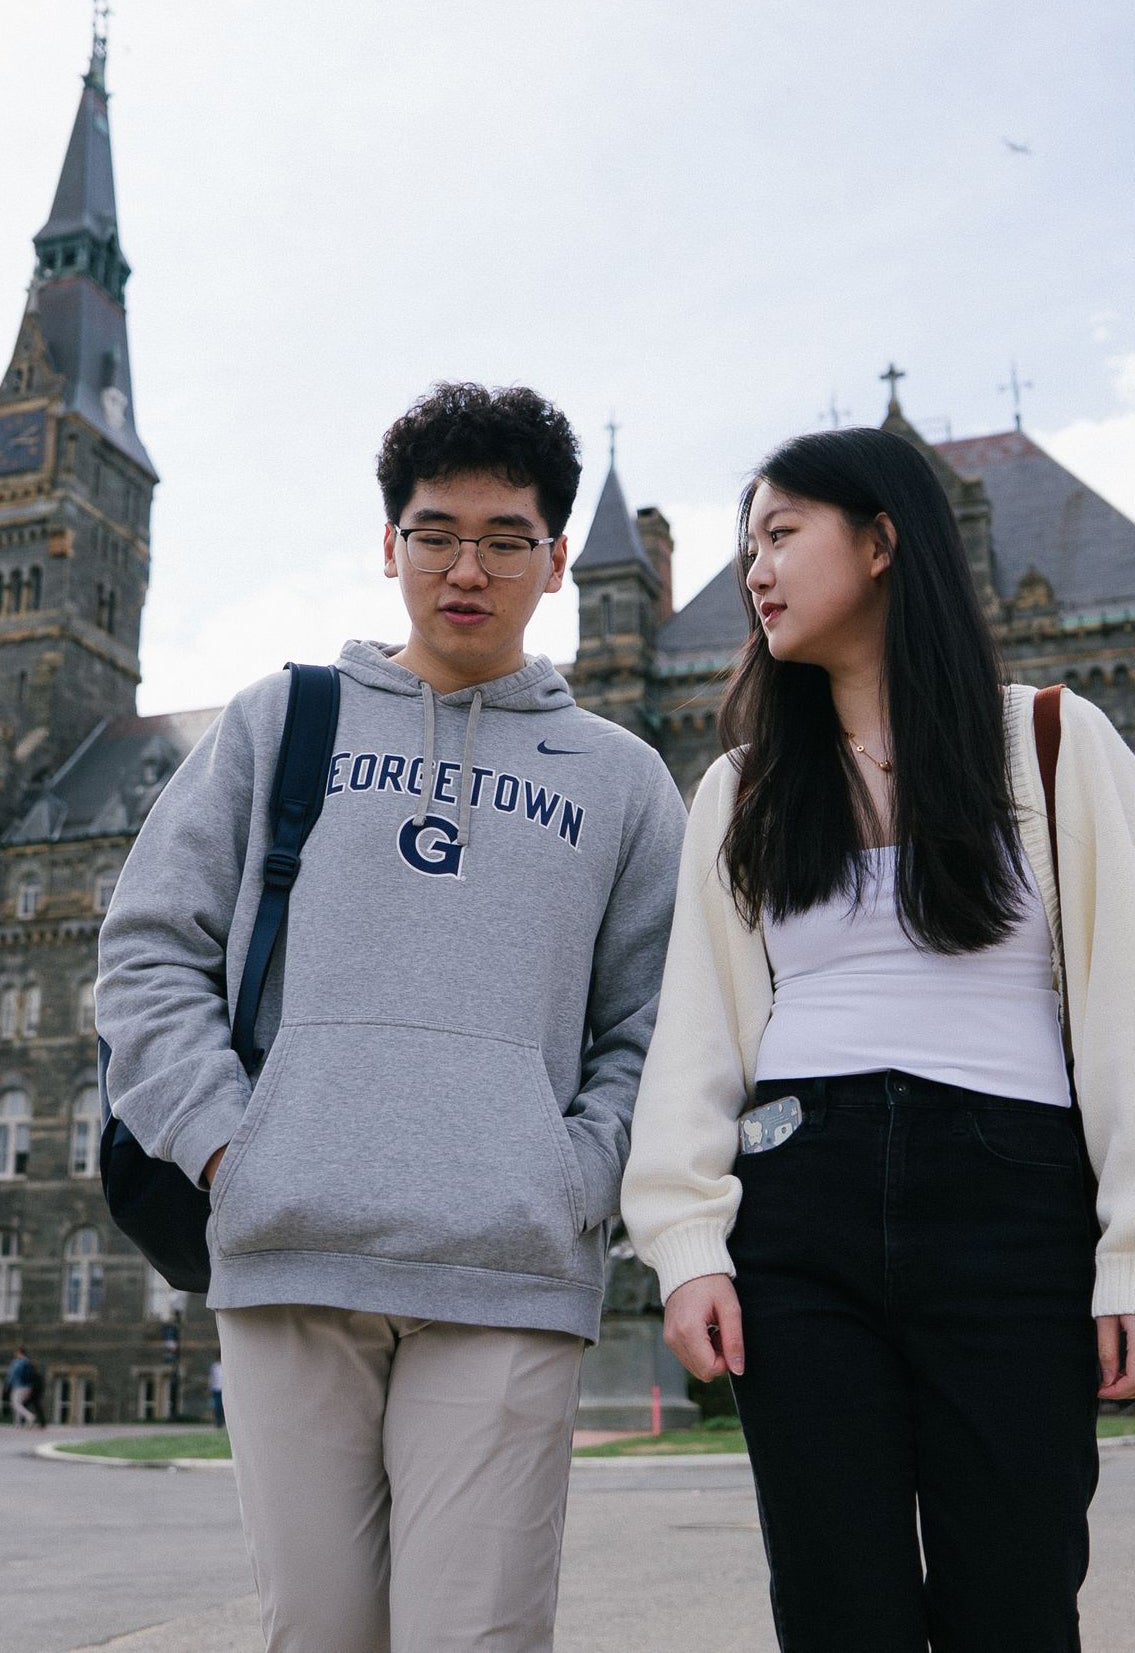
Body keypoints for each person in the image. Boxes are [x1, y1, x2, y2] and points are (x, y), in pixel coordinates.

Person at [96, 382, 685, 1653]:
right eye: (434, 533)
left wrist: (574, 1174)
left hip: (510, 1269)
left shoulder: (626, 781)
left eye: (504, 538)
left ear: (557, 559)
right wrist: (228, 1151)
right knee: (320, 1633)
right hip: (292, 1249)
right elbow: (148, 951)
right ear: (389, 546)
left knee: (472, 1637)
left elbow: (659, 1023)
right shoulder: (281, 720)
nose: (465, 569)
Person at [621, 426, 1135, 1653]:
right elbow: (698, 1035)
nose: (754, 572)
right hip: (799, 1213)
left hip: (1011, 1209)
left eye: (781, 534)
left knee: (1015, 1602)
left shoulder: (1055, 742)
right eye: (745, 548)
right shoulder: (739, 788)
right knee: (838, 1613)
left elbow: (1133, 1014)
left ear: (884, 539)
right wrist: (685, 1243)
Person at [4, 1348, 35, 1428]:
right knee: (19, 1404)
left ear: (19, 1353)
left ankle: (29, 1416)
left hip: (18, 1386)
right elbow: (32, 1376)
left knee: (15, 1404)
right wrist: (30, 1388)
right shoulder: (28, 1362)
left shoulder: (18, 1363)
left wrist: (7, 1385)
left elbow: (12, 1374)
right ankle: (18, 1423)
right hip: (27, 1386)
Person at [207, 1356, 225, 1429]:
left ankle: (223, 1421)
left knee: (223, 1406)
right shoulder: (215, 1366)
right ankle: (218, 1421)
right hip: (216, 1389)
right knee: (217, 1406)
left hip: (224, 1389)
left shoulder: (225, 1365)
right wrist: (210, 1386)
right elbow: (211, 1377)